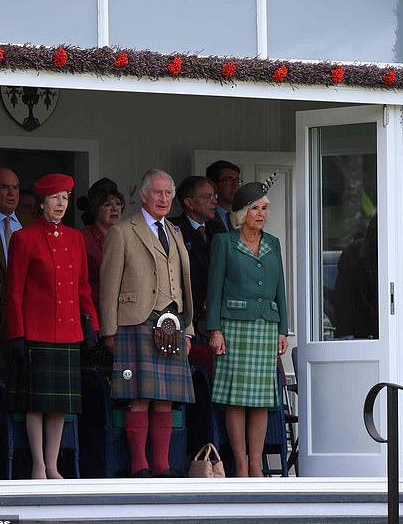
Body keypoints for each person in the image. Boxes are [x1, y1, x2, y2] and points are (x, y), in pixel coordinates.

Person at [99, 168, 195, 477]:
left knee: (166, 397)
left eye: (168, 193)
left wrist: (189, 330)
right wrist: (109, 331)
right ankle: (139, 464)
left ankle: (162, 465)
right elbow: (108, 285)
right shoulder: (123, 231)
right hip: (135, 323)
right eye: (157, 192)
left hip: (173, 323)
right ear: (143, 195)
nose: (164, 198)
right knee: (139, 397)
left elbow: (183, 282)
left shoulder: (176, 233)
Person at [6, 173, 99, 480]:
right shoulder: (24, 238)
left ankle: (52, 465)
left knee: (59, 405)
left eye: (65, 198)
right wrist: (16, 333)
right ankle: (37, 465)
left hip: (69, 332)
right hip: (36, 332)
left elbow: (83, 287)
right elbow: (14, 291)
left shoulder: (75, 239)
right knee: (36, 404)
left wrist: (91, 324)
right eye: (55, 198)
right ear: (42, 203)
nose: (61, 204)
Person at [207, 180, 288, 477]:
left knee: (262, 400)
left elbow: (281, 289)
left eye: (264, 208)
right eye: (255, 208)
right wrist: (214, 329)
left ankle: (256, 463)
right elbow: (213, 289)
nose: (261, 213)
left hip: (266, 325)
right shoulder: (224, 242)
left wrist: (283, 328)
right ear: (242, 212)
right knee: (236, 399)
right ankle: (240, 463)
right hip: (233, 326)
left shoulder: (273, 243)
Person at [172, 176, 224, 344]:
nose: (214, 201)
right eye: (207, 197)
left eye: (214, 196)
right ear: (189, 202)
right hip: (187, 319)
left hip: (215, 319)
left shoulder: (217, 230)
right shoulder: (173, 229)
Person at [0, 167, 28, 373]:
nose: (11, 193)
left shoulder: (29, 224)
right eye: (4, 187)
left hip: (25, 313)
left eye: (15, 188)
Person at [80, 178, 125, 320]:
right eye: (107, 204)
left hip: (123, 314)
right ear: (95, 209)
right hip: (94, 314)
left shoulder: (127, 236)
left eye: (118, 204)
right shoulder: (82, 238)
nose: (115, 208)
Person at [333, 215, 379, 339]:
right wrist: (346, 332)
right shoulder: (354, 253)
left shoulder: (359, 252)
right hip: (358, 330)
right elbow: (344, 296)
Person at [205, 160, 242, 232]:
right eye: (228, 180)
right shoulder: (206, 216)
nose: (235, 185)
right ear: (214, 185)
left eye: (237, 180)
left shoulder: (243, 216)